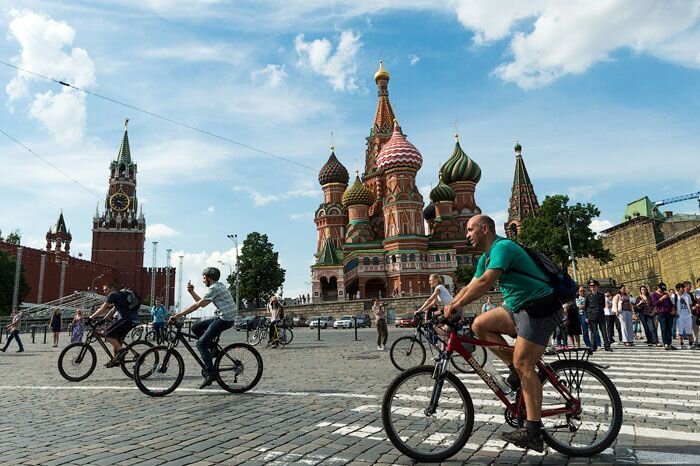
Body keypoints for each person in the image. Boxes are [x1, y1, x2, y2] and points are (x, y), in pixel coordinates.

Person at [443, 215, 563, 452]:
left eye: (470, 229)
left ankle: (533, 431)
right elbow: (470, 285)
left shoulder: (503, 247)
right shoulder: (486, 256)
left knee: (524, 363)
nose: (466, 235)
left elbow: (486, 282)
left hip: (539, 306)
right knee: (479, 325)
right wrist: (447, 308)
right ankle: (516, 372)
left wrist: (457, 307)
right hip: (517, 308)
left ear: (484, 229)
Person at [168, 267, 237, 389]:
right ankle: (213, 349)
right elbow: (202, 303)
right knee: (195, 328)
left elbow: (197, 306)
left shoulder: (214, 288)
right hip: (223, 317)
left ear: (209, 278)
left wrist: (177, 315)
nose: (203, 280)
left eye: (204, 278)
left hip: (225, 319)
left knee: (200, 344)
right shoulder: (218, 286)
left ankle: (211, 374)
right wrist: (191, 292)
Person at [91, 283, 140, 365]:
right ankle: (116, 360)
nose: (104, 291)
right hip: (131, 320)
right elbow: (112, 310)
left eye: (106, 289)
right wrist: (103, 320)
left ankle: (122, 351)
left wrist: (91, 317)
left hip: (127, 320)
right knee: (116, 338)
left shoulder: (113, 294)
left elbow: (103, 308)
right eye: (103, 290)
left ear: (112, 288)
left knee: (107, 334)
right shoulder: (119, 296)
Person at [585, 280, 611, 352]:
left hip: (600, 315)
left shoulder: (601, 295)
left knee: (603, 331)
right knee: (593, 332)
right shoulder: (588, 296)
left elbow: (602, 305)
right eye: (591, 287)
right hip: (592, 316)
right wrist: (586, 317)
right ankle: (593, 346)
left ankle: (607, 346)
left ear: (597, 287)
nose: (592, 288)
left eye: (594, 286)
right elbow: (586, 307)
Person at [651, 282, 675, 350]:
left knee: (669, 328)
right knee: (664, 329)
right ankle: (666, 344)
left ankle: (670, 343)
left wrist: (673, 309)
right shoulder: (654, 294)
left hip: (669, 313)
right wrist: (662, 298)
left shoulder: (665, 294)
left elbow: (670, 303)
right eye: (661, 289)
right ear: (658, 288)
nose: (663, 290)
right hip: (661, 313)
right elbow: (655, 303)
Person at [674, 283, 694, 349]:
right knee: (680, 330)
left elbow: (690, 305)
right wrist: (675, 313)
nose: (683, 289)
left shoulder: (687, 296)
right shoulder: (674, 296)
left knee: (689, 330)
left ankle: (691, 343)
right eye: (682, 287)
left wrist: (691, 313)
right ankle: (681, 344)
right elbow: (672, 306)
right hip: (680, 315)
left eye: (683, 287)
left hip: (688, 314)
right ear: (678, 289)